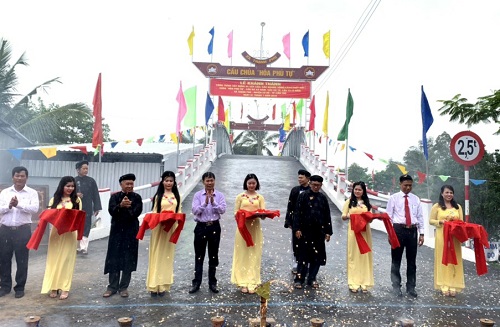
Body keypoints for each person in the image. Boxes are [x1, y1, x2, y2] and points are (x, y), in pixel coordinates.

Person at [0, 166, 39, 299]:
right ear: (12, 177)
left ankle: (20, 287)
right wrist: (9, 206)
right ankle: (5, 286)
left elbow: (34, 209)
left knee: (22, 260)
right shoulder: (5, 192)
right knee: (4, 259)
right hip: (5, 229)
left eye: (22, 176)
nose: (19, 178)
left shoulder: (32, 193)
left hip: (23, 230)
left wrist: (19, 205)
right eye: (17, 176)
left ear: (26, 178)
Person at [41, 176, 82, 300]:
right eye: (67, 186)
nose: (70, 188)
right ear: (62, 186)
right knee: (54, 260)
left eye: (72, 186)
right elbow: (49, 215)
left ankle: (65, 287)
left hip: (70, 233)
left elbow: (78, 217)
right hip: (56, 233)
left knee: (66, 261)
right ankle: (54, 286)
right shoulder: (54, 199)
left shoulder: (77, 200)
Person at [103, 173, 143, 298]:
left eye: (131, 184)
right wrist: (120, 206)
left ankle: (124, 287)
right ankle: (112, 286)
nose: (130, 186)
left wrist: (129, 206)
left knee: (128, 259)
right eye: (127, 184)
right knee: (114, 258)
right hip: (116, 232)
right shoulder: (114, 197)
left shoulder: (137, 197)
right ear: (121, 184)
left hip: (131, 232)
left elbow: (136, 213)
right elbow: (111, 211)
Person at [386, 174, 424, 298]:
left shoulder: (416, 199)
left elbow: (420, 217)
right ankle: (396, 287)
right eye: (405, 185)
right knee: (396, 260)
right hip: (398, 230)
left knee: (412, 261)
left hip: (412, 231)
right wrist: (390, 233)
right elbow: (389, 217)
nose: (408, 188)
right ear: (400, 184)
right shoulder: (394, 198)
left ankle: (411, 287)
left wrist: (421, 233)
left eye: (410, 185)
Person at [293, 175, 332, 289]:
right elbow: (297, 213)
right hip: (304, 231)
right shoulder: (303, 196)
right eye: (313, 185)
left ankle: (312, 278)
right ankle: (299, 279)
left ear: (321, 185)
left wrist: (328, 232)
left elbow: (327, 215)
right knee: (303, 257)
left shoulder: (323, 198)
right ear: (310, 184)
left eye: (318, 185)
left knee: (317, 257)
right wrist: (297, 229)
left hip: (318, 232)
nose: (315, 187)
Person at [190, 172, 227, 294]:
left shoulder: (219, 195)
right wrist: (205, 203)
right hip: (201, 227)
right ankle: (196, 282)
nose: (210, 183)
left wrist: (213, 202)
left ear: (214, 181)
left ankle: (212, 282)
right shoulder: (197, 195)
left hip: (214, 227)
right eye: (207, 181)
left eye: (211, 180)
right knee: (199, 255)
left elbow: (222, 210)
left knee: (213, 255)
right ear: (203, 182)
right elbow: (195, 211)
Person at [146, 171, 182, 297]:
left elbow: (179, 212)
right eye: (166, 180)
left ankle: (163, 285)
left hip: (170, 229)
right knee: (157, 254)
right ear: (162, 182)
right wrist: (161, 219)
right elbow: (154, 213)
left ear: (174, 182)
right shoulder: (158, 196)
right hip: (159, 229)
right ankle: (154, 285)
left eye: (171, 180)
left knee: (167, 256)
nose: (168, 183)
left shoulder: (177, 196)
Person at [231, 173, 265, 294]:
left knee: (254, 254)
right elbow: (235, 213)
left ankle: (252, 280)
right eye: (249, 183)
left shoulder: (260, 197)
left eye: (253, 183)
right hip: (242, 228)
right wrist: (243, 215)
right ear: (246, 183)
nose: (251, 185)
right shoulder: (240, 197)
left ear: (257, 184)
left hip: (255, 227)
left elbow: (263, 214)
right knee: (242, 254)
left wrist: (260, 215)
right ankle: (242, 282)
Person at [429, 185, 464, 297]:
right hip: (442, 237)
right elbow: (431, 220)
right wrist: (440, 222)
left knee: (454, 259)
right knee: (443, 258)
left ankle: (453, 284)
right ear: (442, 193)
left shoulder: (457, 207)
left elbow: (462, 222)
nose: (449, 195)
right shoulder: (437, 206)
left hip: (454, 238)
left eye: (451, 193)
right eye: (447, 192)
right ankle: (443, 285)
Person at [341, 181, 374, 293]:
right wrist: (353, 216)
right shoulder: (349, 202)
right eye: (356, 189)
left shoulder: (367, 203)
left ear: (363, 191)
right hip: (354, 232)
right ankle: (353, 282)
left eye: (359, 189)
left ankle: (365, 283)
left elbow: (371, 217)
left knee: (364, 256)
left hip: (365, 232)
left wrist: (369, 217)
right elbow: (343, 216)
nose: (357, 191)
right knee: (353, 256)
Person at [284, 169, 311, 274]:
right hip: (297, 221)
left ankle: (307, 264)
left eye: (301, 177)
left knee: (308, 243)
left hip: (308, 222)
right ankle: (296, 264)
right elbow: (290, 206)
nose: (299, 179)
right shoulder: (295, 190)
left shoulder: (312, 190)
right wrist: (289, 221)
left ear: (307, 178)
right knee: (296, 243)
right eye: (298, 177)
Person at [75, 160, 102, 255]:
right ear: (78, 170)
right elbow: (66, 194)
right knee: (77, 227)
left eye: (87, 168)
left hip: (87, 208)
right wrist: (75, 195)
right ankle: (77, 247)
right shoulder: (73, 181)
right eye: (84, 168)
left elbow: (96, 194)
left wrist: (97, 207)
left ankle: (84, 248)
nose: (86, 170)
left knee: (86, 227)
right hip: (75, 209)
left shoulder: (91, 181)